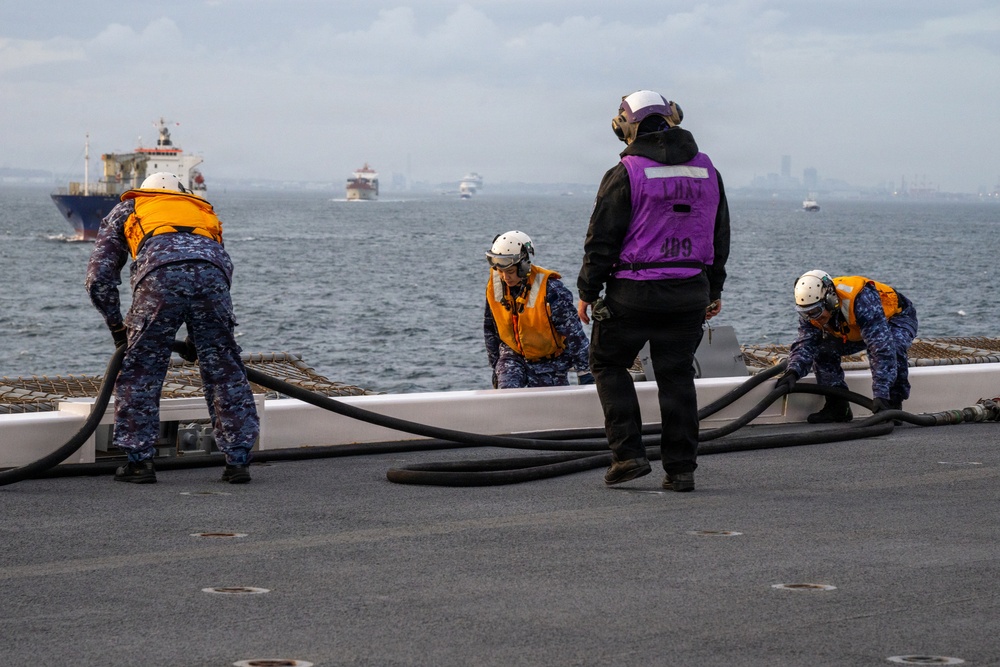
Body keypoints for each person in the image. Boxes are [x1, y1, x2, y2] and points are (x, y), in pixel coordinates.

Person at [577, 90, 730, 492]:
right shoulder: (708, 171)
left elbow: (602, 240)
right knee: (676, 375)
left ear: (626, 125)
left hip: (634, 293)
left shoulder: (625, 173)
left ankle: (628, 456)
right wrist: (713, 289)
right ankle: (681, 470)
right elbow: (719, 235)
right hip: (689, 293)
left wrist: (587, 292)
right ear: (672, 119)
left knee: (608, 363)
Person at [85, 172, 260, 484]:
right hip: (213, 280)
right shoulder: (200, 210)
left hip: (158, 279)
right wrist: (199, 335)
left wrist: (116, 327)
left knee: (142, 369)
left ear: (145, 191)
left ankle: (139, 463)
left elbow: (99, 278)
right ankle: (238, 461)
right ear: (181, 192)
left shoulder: (129, 209)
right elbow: (217, 264)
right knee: (224, 367)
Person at [775, 270, 918, 423]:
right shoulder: (812, 314)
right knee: (822, 350)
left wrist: (881, 394)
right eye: (805, 313)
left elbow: (881, 347)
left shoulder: (861, 299)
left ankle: (892, 405)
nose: (812, 318)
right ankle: (837, 407)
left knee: (893, 347)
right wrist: (793, 372)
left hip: (895, 320)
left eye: (815, 311)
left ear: (829, 300)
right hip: (852, 328)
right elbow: (805, 343)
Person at [484, 230, 594, 388]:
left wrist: (584, 371)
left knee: (551, 408)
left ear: (523, 266)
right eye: (500, 272)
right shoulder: (496, 286)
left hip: (550, 362)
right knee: (507, 399)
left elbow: (574, 333)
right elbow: (490, 329)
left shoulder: (551, 290)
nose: (505, 277)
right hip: (512, 358)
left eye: (510, 272)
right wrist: (495, 367)